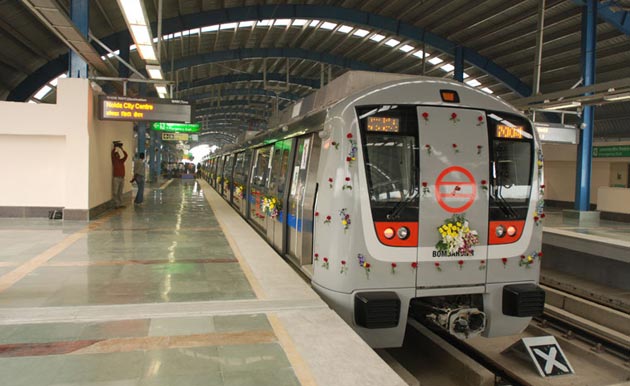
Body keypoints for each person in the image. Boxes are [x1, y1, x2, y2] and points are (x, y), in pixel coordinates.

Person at [111, 141, 128, 208]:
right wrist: (114, 147)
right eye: (117, 155)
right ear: (115, 156)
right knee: (115, 192)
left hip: (122, 178)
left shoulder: (121, 161)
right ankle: (116, 204)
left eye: (119, 155)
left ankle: (120, 203)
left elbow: (126, 155)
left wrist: (121, 148)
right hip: (116, 178)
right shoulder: (114, 160)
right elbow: (112, 154)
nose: (118, 156)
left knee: (120, 192)